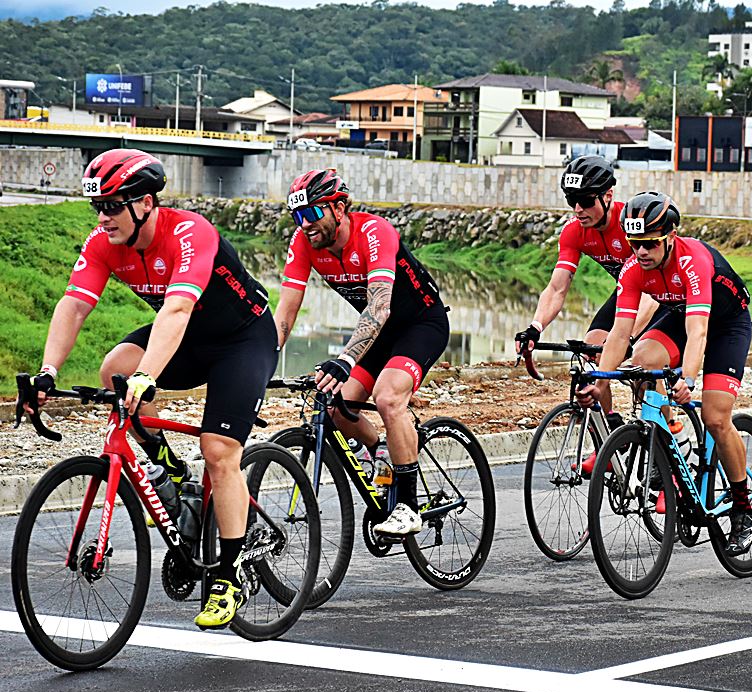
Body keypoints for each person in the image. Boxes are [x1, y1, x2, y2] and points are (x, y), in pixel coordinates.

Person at [27, 148, 277, 629]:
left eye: (113, 206)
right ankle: (169, 470)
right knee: (113, 369)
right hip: (185, 338)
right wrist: (48, 371)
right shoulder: (105, 243)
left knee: (219, 449)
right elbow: (73, 306)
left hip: (241, 338)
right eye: (97, 207)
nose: (103, 217)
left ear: (144, 203)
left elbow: (177, 310)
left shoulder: (187, 233)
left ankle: (228, 574)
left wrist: (148, 377)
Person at [576, 192, 752, 555]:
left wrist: (687, 380)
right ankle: (664, 451)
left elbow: (699, 332)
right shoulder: (633, 271)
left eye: (649, 244)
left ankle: (742, 508)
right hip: (679, 315)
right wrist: (599, 381)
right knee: (641, 362)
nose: (641, 252)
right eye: (634, 244)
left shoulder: (693, 262)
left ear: (670, 236)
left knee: (716, 417)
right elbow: (620, 333)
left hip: (724, 325)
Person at [275, 169, 449, 538]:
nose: (304, 224)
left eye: (311, 214)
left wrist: (345, 360)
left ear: (339, 208)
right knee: (336, 405)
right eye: (297, 217)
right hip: (380, 337)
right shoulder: (304, 242)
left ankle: (407, 505)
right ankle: (382, 449)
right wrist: (260, 360)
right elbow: (286, 313)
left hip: (421, 324)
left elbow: (380, 306)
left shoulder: (374, 233)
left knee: (388, 397)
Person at [514, 155, 659, 420]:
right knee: (591, 351)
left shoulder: (632, 224)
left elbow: (651, 295)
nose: (578, 209)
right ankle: (609, 430)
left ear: (608, 196)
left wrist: (627, 339)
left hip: (661, 297)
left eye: (586, 201)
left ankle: (670, 430)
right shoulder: (575, 231)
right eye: (572, 201)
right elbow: (557, 288)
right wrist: (535, 326)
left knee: (642, 364)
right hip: (628, 294)